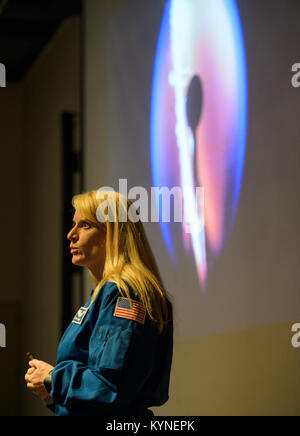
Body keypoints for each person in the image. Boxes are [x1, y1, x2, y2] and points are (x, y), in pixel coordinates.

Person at [25, 190, 173, 416]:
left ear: (111, 233)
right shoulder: (104, 294)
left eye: (84, 225)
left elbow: (110, 389)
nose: (70, 234)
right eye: (74, 224)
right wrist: (51, 392)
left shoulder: (125, 293)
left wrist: (52, 377)